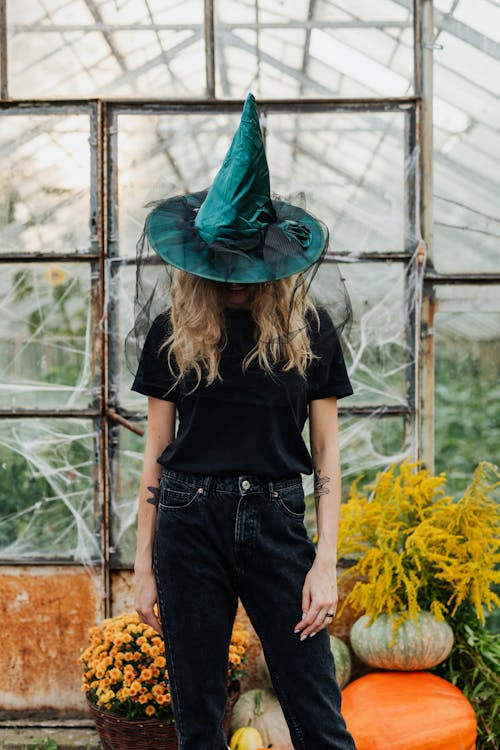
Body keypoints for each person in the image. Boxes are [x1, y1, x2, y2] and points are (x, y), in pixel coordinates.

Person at [130, 93, 358, 750]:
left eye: (246, 263)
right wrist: (143, 564)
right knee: (198, 717)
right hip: (187, 522)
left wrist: (324, 565)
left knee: (317, 709)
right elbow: (156, 456)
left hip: (278, 523)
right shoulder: (173, 333)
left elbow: (327, 460)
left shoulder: (308, 332)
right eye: (220, 264)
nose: (234, 278)